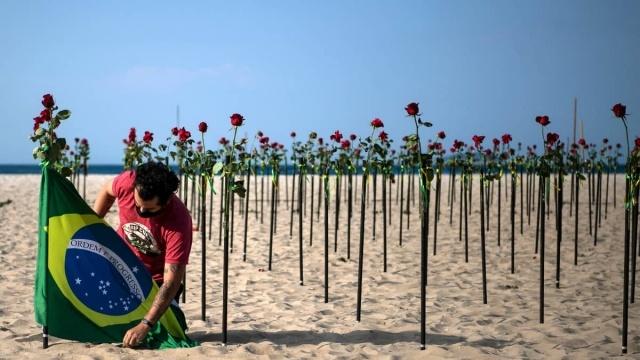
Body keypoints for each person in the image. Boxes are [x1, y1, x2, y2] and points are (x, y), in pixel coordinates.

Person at [93, 161, 192, 348]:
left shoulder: (179, 222)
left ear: (167, 200)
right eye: (138, 205)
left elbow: (172, 280)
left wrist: (146, 324)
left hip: (155, 284)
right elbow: (107, 190)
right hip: (117, 270)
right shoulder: (128, 182)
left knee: (168, 334)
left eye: (149, 210)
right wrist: (93, 224)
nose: (141, 211)